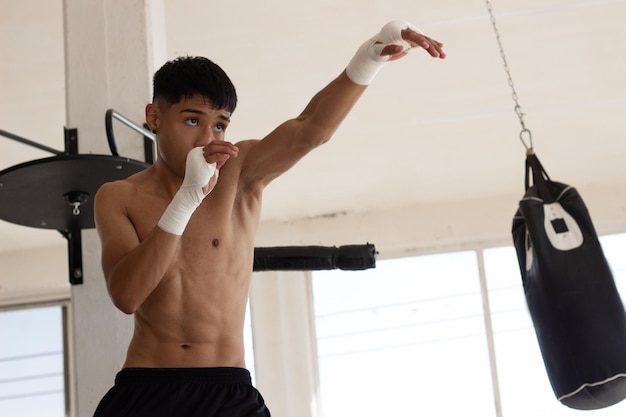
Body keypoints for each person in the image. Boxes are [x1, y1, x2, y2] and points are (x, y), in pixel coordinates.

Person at [92, 20, 445, 417]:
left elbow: (309, 129)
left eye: (220, 125)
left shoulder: (238, 173)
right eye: (192, 120)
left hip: (226, 390)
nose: (208, 139)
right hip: (146, 389)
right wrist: (186, 200)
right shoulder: (119, 196)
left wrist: (368, 58)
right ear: (155, 117)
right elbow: (126, 296)